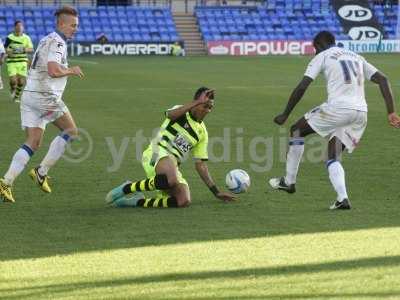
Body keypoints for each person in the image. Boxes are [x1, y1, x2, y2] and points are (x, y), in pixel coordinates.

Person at [268, 31, 400, 210]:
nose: (315, 52)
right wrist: (391, 112)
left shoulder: (322, 56)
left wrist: (285, 114)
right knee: (333, 155)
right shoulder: (356, 56)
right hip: (360, 114)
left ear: (320, 45)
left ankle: (289, 181)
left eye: (315, 48)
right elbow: (383, 79)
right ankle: (342, 199)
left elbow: (302, 86)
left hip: (338, 109)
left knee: (296, 130)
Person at [0, 6, 84, 203]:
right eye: (73, 25)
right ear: (61, 24)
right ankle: (41, 171)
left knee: (33, 142)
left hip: (30, 95)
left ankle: (6, 182)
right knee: (71, 131)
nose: (75, 29)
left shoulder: (47, 38)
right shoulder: (58, 43)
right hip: (44, 96)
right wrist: (71, 70)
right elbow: (53, 70)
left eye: (76, 26)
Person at [106, 87, 236, 208]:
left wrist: (216, 192)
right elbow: (170, 115)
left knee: (183, 200)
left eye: (210, 107)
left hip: (170, 168)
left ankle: (137, 201)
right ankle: (127, 188)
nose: (207, 110)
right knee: (172, 179)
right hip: (156, 153)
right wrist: (196, 102)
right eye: (204, 105)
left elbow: (200, 164)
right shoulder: (182, 111)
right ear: (196, 102)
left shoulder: (202, 133)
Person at [4, 20, 34, 102]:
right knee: (13, 80)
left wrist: (23, 49)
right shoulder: (10, 37)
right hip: (12, 61)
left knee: (21, 81)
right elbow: (5, 48)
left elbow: (31, 49)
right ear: (15, 27)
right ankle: (12, 88)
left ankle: (16, 97)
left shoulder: (26, 38)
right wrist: (8, 51)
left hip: (22, 61)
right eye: (18, 26)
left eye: (21, 26)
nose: (19, 28)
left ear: (23, 28)